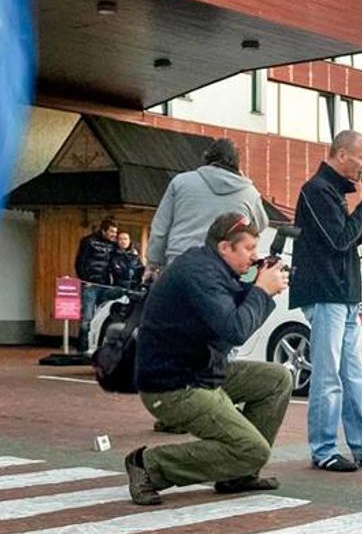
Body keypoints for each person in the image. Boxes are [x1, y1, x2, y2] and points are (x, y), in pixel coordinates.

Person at [124, 212, 292, 506]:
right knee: (254, 449)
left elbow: (232, 318)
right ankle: (149, 465)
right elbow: (236, 329)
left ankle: (238, 473)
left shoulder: (212, 269)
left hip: (202, 371)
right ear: (225, 247)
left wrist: (260, 286)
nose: (254, 256)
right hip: (173, 387)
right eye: (249, 248)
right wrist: (262, 291)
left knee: (277, 379)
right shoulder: (199, 273)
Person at [290, 130, 362, 472]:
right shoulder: (316, 190)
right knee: (329, 375)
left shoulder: (335, 192)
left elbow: (345, 235)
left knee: (354, 373)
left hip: (344, 293)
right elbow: (338, 239)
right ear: (342, 155)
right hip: (326, 292)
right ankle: (324, 448)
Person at [148, 139, 266, 275]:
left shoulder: (180, 182)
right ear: (237, 164)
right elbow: (259, 226)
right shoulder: (248, 192)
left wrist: (153, 262)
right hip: (223, 267)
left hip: (180, 262)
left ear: (206, 158)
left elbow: (160, 228)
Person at [74, 217, 118, 348]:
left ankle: (96, 346)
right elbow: (79, 263)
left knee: (102, 317)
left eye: (115, 232)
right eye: (111, 232)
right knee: (87, 317)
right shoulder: (88, 241)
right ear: (104, 231)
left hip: (105, 284)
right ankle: (82, 347)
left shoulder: (113, 245)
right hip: (91, 284)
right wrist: (84, 279)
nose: (114, 235)